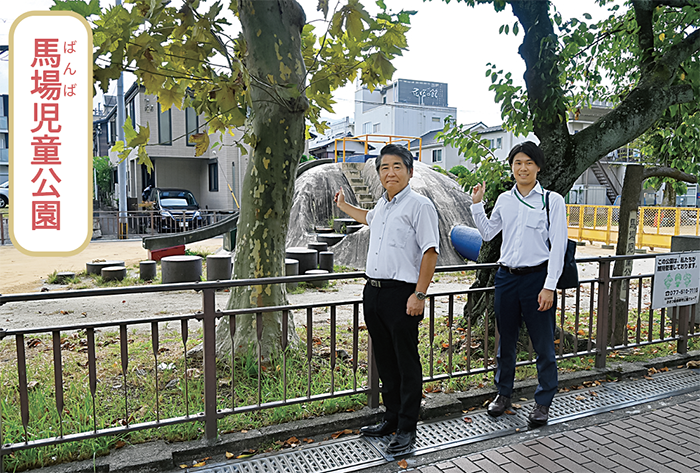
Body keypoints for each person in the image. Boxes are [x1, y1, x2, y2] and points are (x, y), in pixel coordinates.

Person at [334, 144, 439, 454]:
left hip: (403, 294)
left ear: (409, 170)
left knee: (406, 362)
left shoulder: (420, 206)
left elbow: (430, 252)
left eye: (396, 166)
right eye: (384, 167)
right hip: (374, 292)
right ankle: (391, 418)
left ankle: (407, 427)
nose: (390, 172)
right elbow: (368, 218)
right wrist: (343, 206)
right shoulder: (383, 205)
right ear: (378, 173)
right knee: (385, 360)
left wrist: (419, 294)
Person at [470, 141, 567, 427]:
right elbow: (489, 234)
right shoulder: (504, 199)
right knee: (506, 341)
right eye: (517, 163)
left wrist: (549, 286)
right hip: (506, 278)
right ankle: (503, 394)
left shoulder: (552, 201)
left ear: (538, 167)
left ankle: (543, 400)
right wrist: (477, 205)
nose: (522, 168)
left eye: (528, 163)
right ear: (512, 167)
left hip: (537, 278)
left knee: (543, 343)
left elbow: (559, 246)